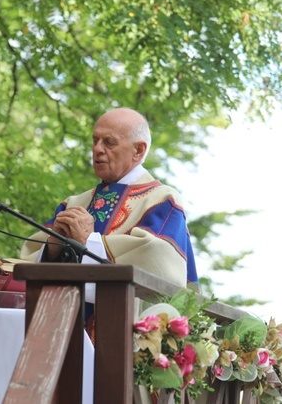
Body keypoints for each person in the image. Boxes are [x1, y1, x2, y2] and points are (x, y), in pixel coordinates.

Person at [20, 107, 199, 288]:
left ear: (138, 150)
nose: (97, 149)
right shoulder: (74, 203)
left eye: (109, 142)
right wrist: (52, 248)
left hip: (127, 314)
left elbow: (157, 264)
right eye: (95, 140)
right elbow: (25, 262)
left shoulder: (161, 200)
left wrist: (90, 241)